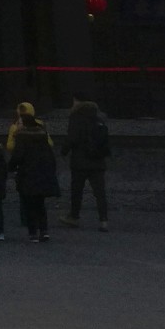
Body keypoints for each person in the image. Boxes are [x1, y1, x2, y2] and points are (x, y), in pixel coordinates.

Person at [5, 103, 59, 242]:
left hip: (27, 173)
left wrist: (10, 167)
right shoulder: (42, 135)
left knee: (29, 204)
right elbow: (50, 154)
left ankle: (33, 232)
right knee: (40, 203)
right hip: (42, 172)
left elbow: (18, 155)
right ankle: (44, 230)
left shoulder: (22, 137)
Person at [63, 98, 112, 231]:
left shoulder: (76, 118)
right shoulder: (99, 120)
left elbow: (72, 138)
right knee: (100, 192)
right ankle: (103, 220)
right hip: (98, 162)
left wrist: (64, 151)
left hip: (80, 162)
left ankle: (74, 217)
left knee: (77, 191)